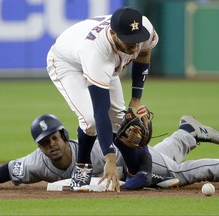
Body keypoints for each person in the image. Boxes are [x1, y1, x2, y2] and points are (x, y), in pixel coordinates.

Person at [0, 113, 219, 190]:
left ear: (64, 136)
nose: (51, 146)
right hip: (134, 167)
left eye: (54, 138)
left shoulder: (95, 150)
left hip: (137, 159)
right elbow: (9, 169)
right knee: (167, 155)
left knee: (186, 172)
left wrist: (144, 177)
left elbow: (137, 159)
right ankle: (187, 132)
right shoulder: (37, 163)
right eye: (44, 142)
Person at [46, 6, 158, 191]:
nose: (135, 45)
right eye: (129, 40)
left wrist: (135, 99)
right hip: (67, 63)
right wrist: (110, 159)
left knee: (121, 122)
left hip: (106, 62)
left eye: (137, 39)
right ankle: (82, 166)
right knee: (90, 120)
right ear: (113, 34)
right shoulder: (96, 53)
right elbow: (100, 110)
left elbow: (144, 53)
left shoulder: (143, 29)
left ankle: (134, 172)